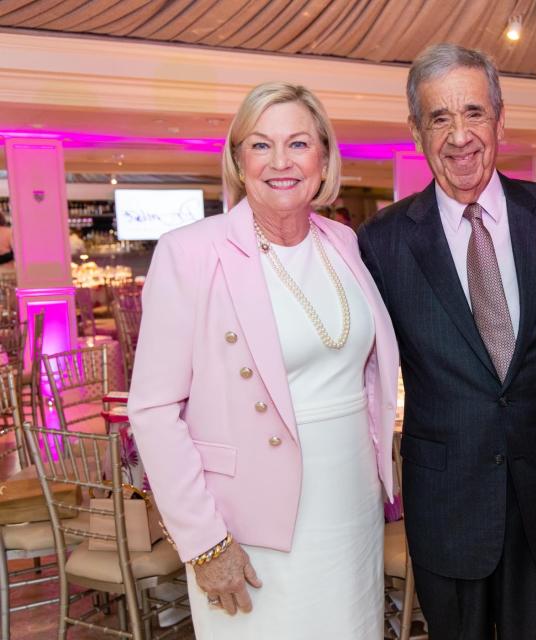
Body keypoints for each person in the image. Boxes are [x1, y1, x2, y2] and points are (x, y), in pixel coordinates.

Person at [128, 82, 399, 639]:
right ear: (237, 159)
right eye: (260, 145)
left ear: (324, 159)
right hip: (249, 526)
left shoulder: (343, 243)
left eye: (298, 144)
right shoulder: (191, 252)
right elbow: (153, 411)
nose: (281, 162)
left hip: (352, 511)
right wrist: (205, 543)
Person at [357, 43, 536, 639]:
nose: (459, 135)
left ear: (500, 119)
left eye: (473, 113)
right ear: (417, 131)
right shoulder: (382, 242)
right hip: (448, 498)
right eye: (440, 118)